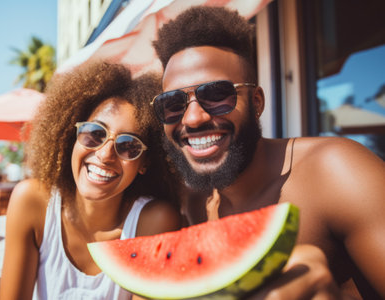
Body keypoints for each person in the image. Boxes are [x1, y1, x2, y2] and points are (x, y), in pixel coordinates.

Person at [151, 6, 385, 299]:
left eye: (216, 95)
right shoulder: (197, 205)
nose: (193, 118)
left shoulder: (336, 171)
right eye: (172, 104)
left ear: (257, 101)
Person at [0, 62, 182, 300]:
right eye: (95, 133)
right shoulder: (31, 202)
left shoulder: (155, 221)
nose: (105, 154)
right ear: (71, 136)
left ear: (145, 163)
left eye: (128, 146)